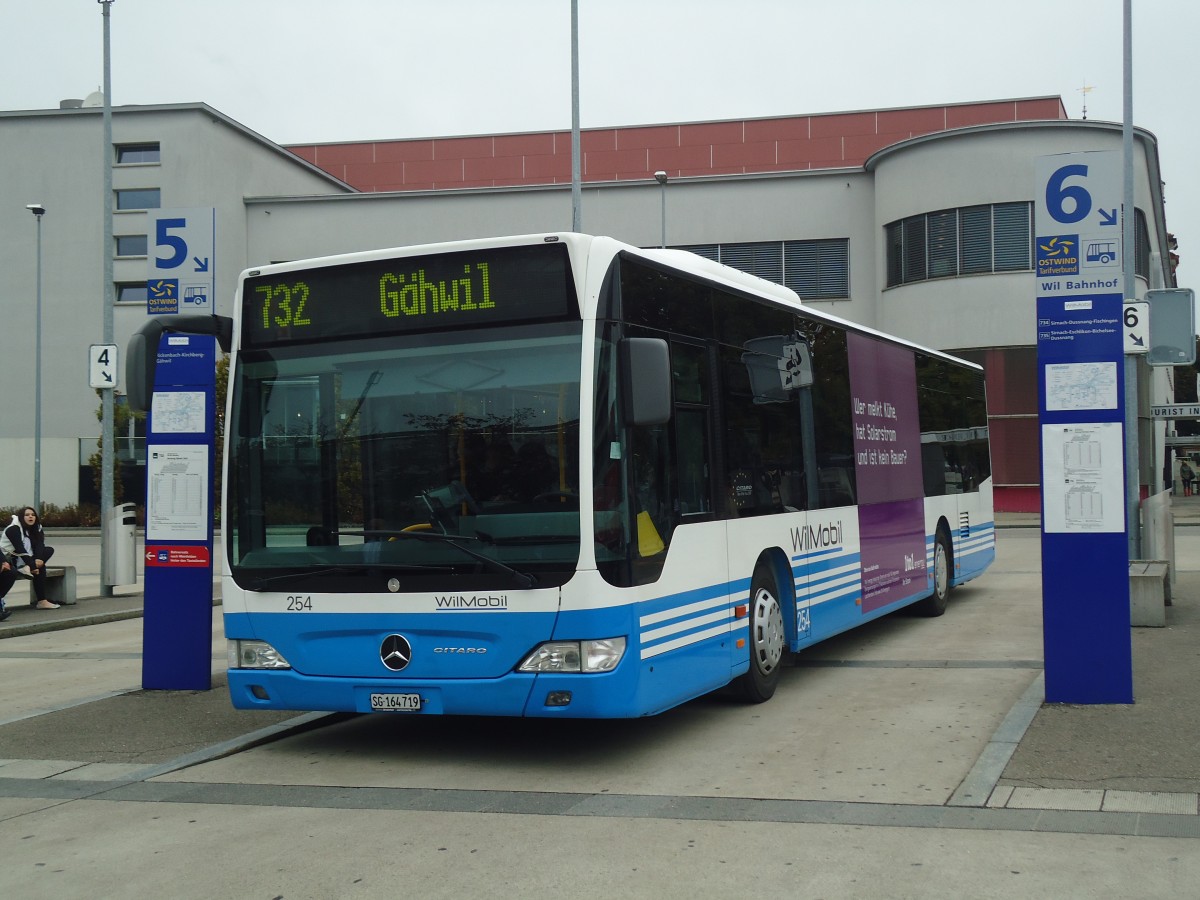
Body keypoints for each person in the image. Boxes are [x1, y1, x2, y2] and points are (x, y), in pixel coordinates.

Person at [1, 506, 63, 609]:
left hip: (26, 560)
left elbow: (40, 545)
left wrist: (34, 563)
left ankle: (42, 602)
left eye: (33, 515)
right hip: (10, 560)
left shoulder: (36, 528)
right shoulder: (13, 529)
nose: (31, 517)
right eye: (27, 515)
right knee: (40, 567)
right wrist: (33, 565)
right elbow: (20, 550)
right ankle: (41, 600)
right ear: (21, 517)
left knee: (48, 550)